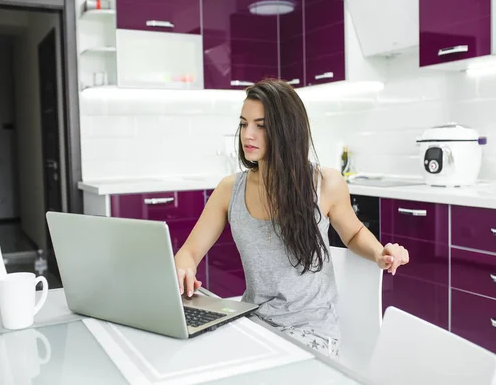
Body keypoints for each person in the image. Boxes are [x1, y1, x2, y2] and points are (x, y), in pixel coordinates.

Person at [174, 79, 409, 357]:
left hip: (312, 331)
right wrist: (183, 270)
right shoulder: (229, 190)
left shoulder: (325, 183)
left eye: (261, 126)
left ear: (286, 130)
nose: (248, 135)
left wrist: (379, 253)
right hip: (254, 323)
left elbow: (354, 233)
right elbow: (188, 252)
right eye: (243, 123)